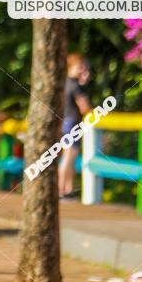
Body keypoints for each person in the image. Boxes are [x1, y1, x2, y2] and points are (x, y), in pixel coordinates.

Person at [59, 54, 92, 198]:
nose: (83, 69)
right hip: (73, 123)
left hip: (66, 122)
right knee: (69, 157)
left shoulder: (66, 83)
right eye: (80, 66)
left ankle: (68, 189)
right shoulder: (75, 86)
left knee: (69, 156)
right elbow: (84, 108)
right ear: (71, 67)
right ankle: (62, 189)